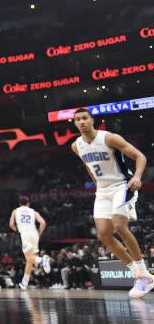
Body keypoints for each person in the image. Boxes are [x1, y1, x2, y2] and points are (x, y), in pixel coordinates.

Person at [71, 108, 153, 298]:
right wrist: (98, 186)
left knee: (118, 225)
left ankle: (143, 270)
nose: (81, 122)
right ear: (75, 123)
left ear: (92, 120)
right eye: (77, 119)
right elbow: (88, 167)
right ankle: (141, 276)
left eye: (85, 118)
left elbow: (140, 156)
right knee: (104, 235)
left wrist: (138, 177)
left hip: (122, 185)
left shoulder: (109, 138)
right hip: (103, 190)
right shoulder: (76, 146)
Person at [8, 196, 46, 289]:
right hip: (34, 233)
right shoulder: (33, 211)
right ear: (28, 203)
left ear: (19, 203)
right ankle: (24, 283)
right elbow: (43, 223)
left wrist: (17, 230)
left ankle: (42, 260)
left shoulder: (16, 211)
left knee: (29, 258)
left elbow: (11, 224)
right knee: (29, 260)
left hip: (25, 234)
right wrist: (39, 233)